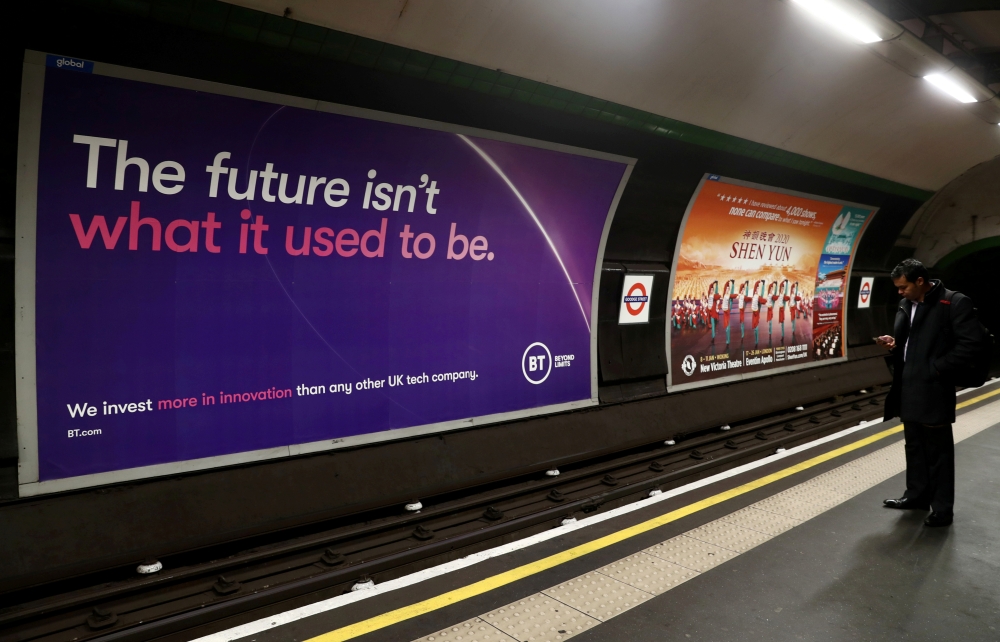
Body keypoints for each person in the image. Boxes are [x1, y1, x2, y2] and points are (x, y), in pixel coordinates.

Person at [877, 259, 980, 527]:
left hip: (934, 389)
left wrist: (936, 368)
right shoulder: (906, 304)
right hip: (908, 387)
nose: (900, 292)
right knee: (914, 446)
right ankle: (916, 496)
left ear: (920, 281)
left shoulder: (953, 302)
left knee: (938, 453)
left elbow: (971, 344)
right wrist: (896, 345)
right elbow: (913, 342)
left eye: (903, 287)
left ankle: (942, 510)